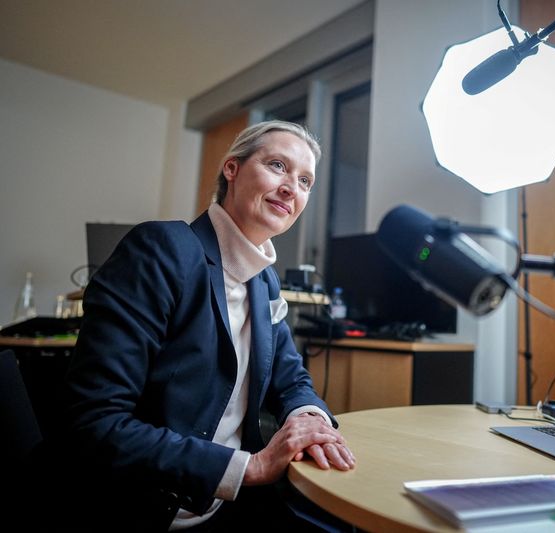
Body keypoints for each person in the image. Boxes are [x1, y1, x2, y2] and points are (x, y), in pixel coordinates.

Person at [53, 120, 355, 531]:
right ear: (231, 168)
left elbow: (291, 377)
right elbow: (95, 421)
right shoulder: (161, 250)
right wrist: (251, 467)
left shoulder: (264, 280)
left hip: (224, 502)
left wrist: (312, 421)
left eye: (305, 181)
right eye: (278, 166)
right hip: (142, 508)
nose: (292, 188)